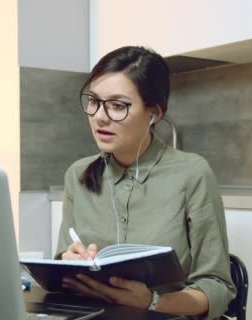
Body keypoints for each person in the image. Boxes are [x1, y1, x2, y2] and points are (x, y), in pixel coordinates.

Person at [55, 46, 236, 320]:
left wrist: (152, 301)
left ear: (154, 113)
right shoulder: (77, 174)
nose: (100, 117)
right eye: (93, 101)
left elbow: (217, 288)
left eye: (117, 105)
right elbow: (62, 263)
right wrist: (69, 262)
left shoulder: (192, 174)